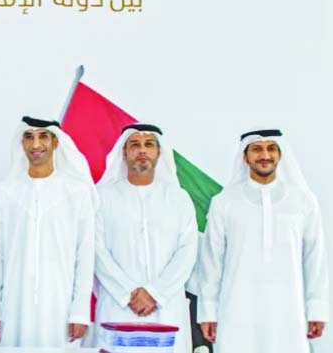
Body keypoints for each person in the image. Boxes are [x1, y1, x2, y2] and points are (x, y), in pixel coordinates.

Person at [196, 129, 329, 353]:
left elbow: (315, 258)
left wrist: (317, 309)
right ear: (245, 157)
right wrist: (208, 311)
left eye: (271, 149)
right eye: (257, 149)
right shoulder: (225, 202)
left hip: (290, 312)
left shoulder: (303, 201)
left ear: (280, 155)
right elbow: (211, 262)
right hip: (236, 310)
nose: (264, 155)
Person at [0, 116, 95, 348]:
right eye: (29, 137)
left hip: (61, 308)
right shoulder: (5, 192)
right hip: (15, 306)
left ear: (55, 143)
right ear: (21, 143)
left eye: (43, 136)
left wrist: (80, 312)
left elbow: (85, 256)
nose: (36, 145)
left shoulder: (77, 192)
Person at [93, 124, 197, 352]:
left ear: (159, 152)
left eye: (149, 144)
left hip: (166, 308)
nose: (142, 150)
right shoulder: (102, 197)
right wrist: (127, 293)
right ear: (124, 152)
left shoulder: (179, 199)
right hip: (118, 306)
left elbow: (187, 251)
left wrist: (155, 293)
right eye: (135, 145)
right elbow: (96, 251)